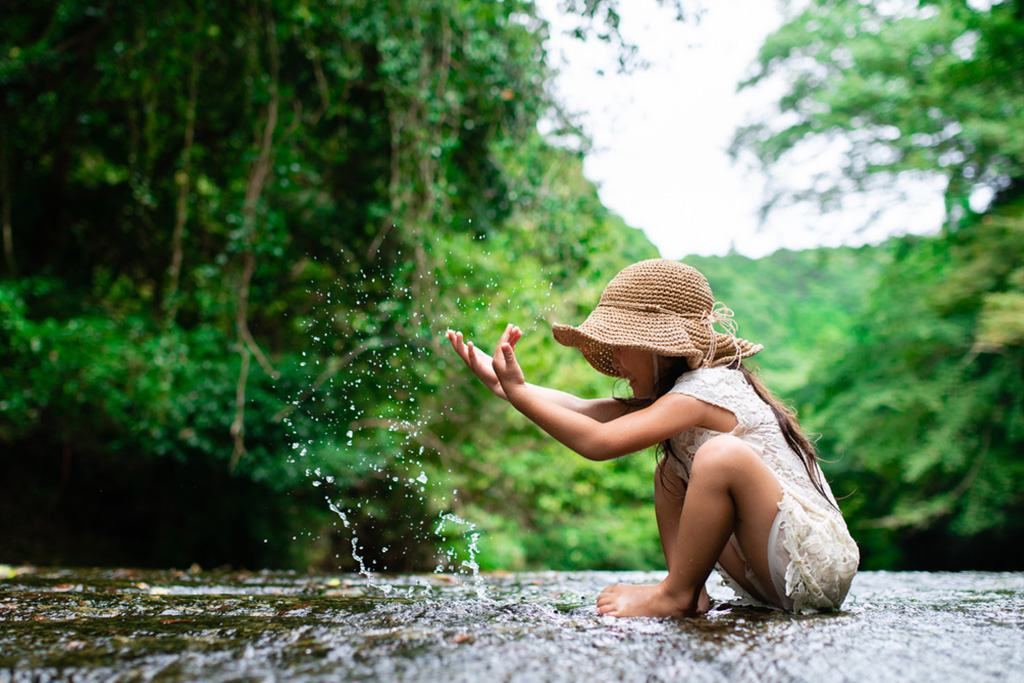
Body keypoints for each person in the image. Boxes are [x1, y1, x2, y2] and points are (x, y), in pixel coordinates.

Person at [446, 258, 859, 617]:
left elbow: (597, 441)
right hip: (771, 571)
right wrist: (508, 388)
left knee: (719, 457)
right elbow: (584, 410)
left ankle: (675, 594)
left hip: (810, 567)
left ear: (662, 346)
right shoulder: (675, 396)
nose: (618, 362)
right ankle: (691, 592)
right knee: (671, 472)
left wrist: (518, 393)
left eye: (624, 346)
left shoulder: (707, 389)